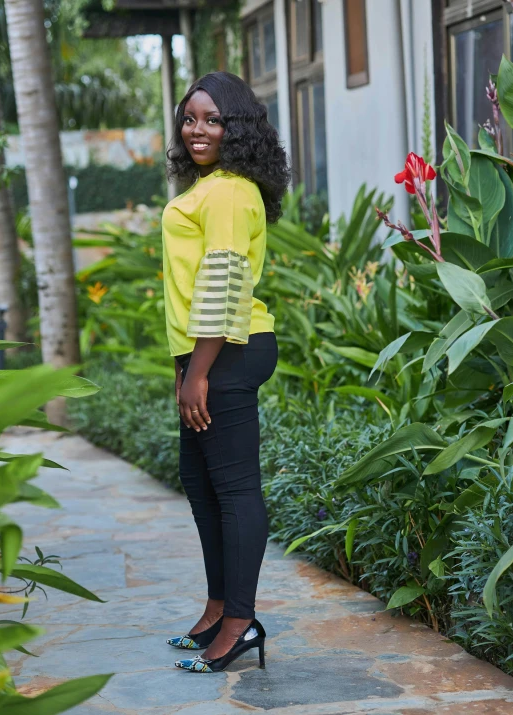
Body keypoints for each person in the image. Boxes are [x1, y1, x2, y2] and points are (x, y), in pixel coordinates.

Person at [161, 71, 291, 673]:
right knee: (202, 480)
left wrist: (200, 370)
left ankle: (240, 621)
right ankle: (218, 608)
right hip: (207, 352)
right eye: (190, 118)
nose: (197, 129)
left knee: (235, 488)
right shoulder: (210, 186)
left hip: (231, 348)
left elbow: (224, 279)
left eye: (212, 119)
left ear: (236, 128)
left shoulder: (232, 192)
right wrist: (187, 364)